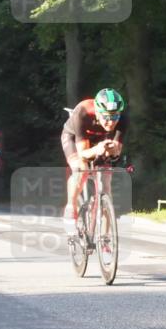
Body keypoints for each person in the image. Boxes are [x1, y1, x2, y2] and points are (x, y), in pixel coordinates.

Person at [61, 88, 128, 227]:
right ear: (97, 112)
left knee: (106, 186)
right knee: (81, 169)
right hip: (74, 137)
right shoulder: (83, 113)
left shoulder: (123, 118)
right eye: (106, 117)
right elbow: (83, 153)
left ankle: (105, 241)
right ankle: (71, 206)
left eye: (115, 117)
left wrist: (112, 150)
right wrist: (97, 149)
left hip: (99, 140)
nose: (111, 122)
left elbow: (117, 151)